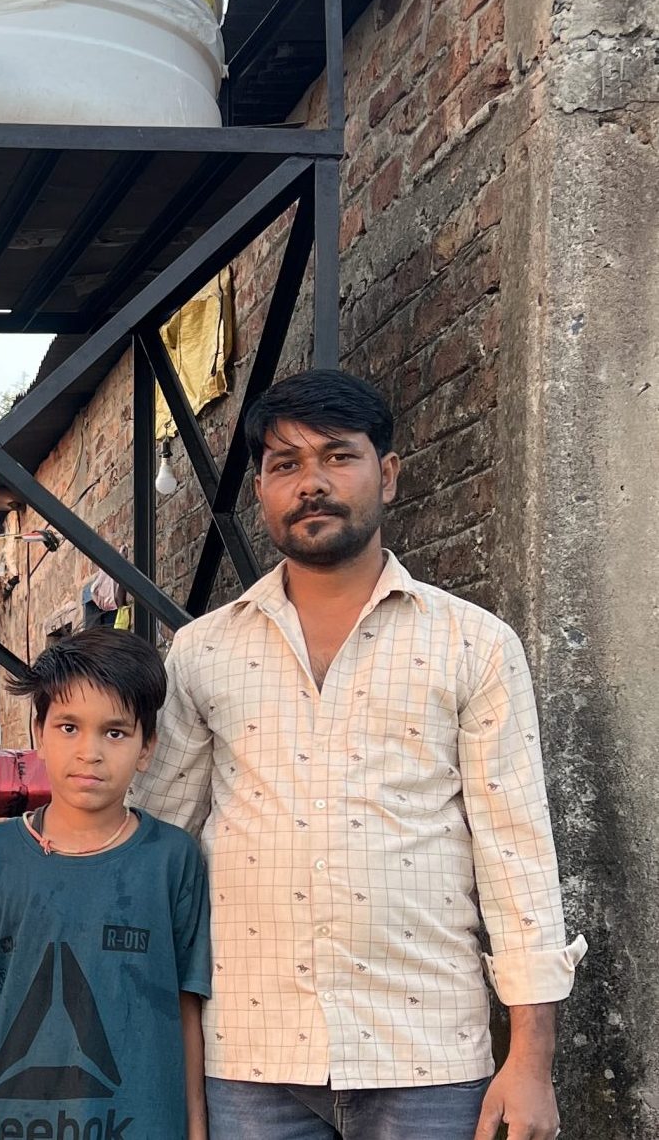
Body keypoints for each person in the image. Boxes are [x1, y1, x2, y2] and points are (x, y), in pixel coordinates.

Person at [132, 368, 587, 1140]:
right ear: (261, 490)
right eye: (285, 464)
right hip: (249, 1053)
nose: (311, 483)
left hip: (427, 1054)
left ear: (389, 473)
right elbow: (156, 844)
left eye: (338, 456)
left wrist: (532, 1061)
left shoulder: (472, 643)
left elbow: (516, 855)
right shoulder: (203, 651)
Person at [0, 629, 211, 1140]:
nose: (89, 752)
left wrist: (196, 1128)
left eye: (115, 733)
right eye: (69, 727)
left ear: (146, 747)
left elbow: (186, 1008)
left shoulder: (172, 859)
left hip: (144, 1125)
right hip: (10, 1125)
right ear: (38, 732)